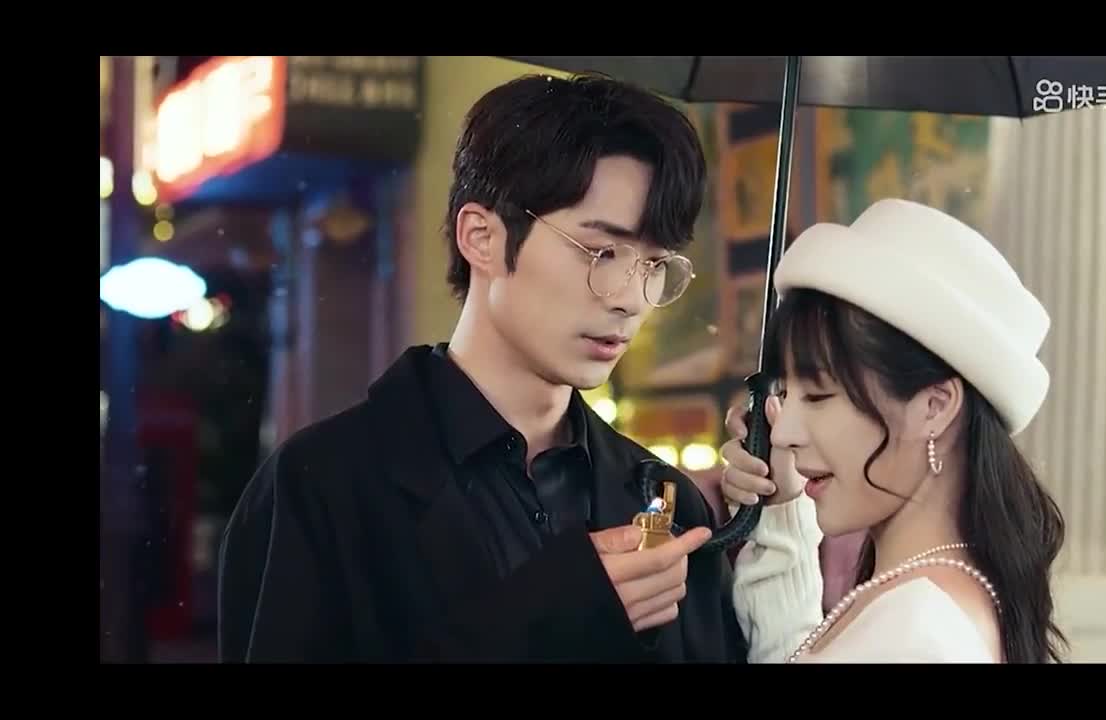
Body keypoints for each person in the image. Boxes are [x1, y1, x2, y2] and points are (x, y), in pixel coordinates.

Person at [217, 72, 749, 663]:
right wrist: (544, 618)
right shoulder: (322, 484)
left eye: (655, 265)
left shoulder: (663, 497)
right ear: (481, 237)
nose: (631, 298)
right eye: (602, 252)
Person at [720, 198, 1068, 663]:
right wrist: (782, 505)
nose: (783, 434)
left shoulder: (918, 632)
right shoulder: (918, 601)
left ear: (934, 407)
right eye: (787, 392)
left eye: (818, 396)